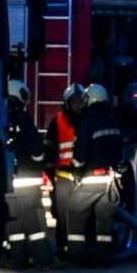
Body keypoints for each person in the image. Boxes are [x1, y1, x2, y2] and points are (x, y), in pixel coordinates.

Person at [67, 83, 123, 267]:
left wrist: (75, 172)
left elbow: (80, 156)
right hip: (111, 181)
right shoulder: (113, 122)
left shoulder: (87, 123)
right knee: (104, 222)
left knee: (74, 213)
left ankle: (76, 257)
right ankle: (104, 257)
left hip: (90, 179)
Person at [5, 79, 54, 269]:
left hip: (8, 184)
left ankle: (18, 260)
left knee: (14, 224)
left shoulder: (0, 118)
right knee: (35, 225)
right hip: (29, 184)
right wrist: (42, 159)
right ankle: (42, 259)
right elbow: (37, 151)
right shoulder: (23, 119)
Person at [44, 83, 85, 259]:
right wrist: (50, 174)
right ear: (67, 102)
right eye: (73, 101)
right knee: (61, 215)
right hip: (63, 178)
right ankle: (63, 249)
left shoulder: (88, 120)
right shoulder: (58, 120)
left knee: (82, 215)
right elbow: (49, 148)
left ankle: (79, 250)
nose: (77, 105)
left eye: (79, 101)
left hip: (83, 177)